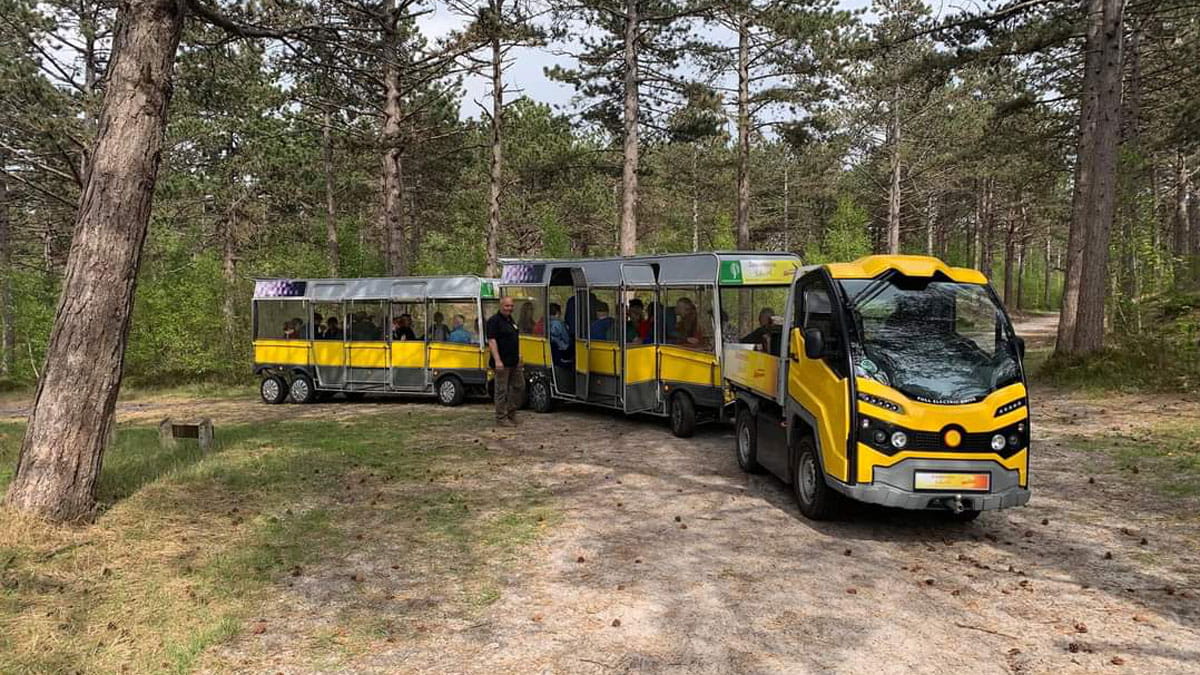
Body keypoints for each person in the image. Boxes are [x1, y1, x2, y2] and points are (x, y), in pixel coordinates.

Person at [487, 296, 525, 426]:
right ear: (501, 306)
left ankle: (511, 413)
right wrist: (497, 360)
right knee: (501, 390)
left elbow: (514, 339)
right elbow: (492, 341)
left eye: (511, 306)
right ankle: (501, 418)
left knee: (519, 386)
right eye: (507, 306)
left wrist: (519, 356)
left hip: (514, 361)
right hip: (502, 363)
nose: (509, 308)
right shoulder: (494, 321)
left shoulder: (511, 321)